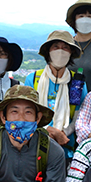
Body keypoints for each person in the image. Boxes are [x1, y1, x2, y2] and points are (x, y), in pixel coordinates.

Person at [24, 30, 85, 160]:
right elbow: (26, 113)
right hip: (35, 146)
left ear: (71, 53)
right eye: (55, 47)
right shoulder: (33, 79)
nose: (60, 51)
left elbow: (79, 115)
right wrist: (51, 131)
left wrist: (64, 133)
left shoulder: (78, 83)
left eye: (65, 48)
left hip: (66, 149)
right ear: (48, 51)